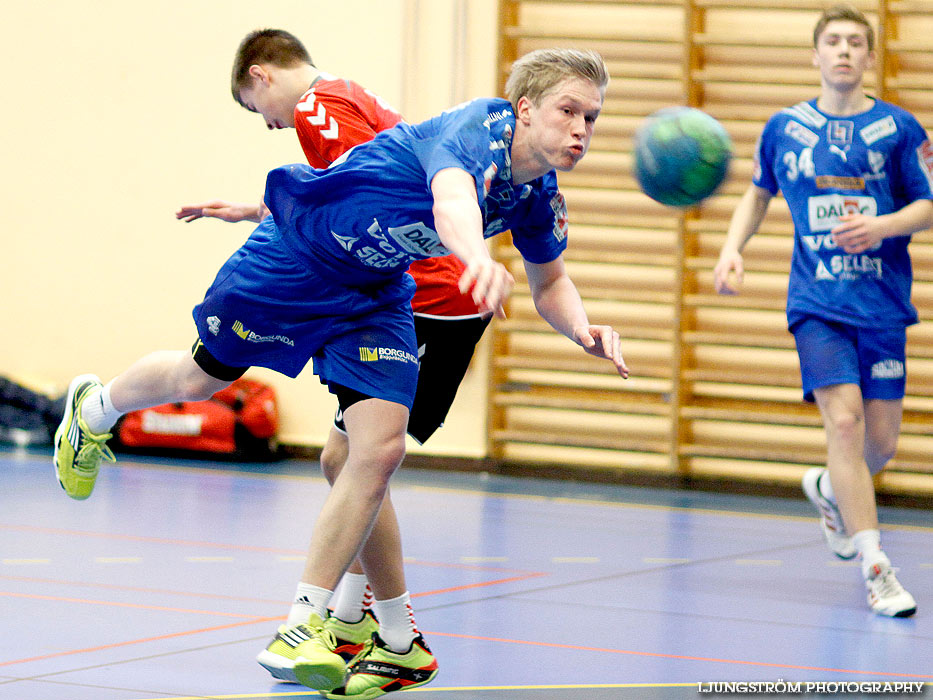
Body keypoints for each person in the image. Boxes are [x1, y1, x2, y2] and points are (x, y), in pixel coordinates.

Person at [54, 47, 627, 696]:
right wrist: (472, 256)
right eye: (568, 111)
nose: (581, 129)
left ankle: (303, 624)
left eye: (593, 118)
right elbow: (451, 202)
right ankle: (94, 409)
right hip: (297, 262)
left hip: (374, 290)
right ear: (524, 110)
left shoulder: (537, 196)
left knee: (375, 451)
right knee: (199, 380)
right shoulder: (476, 131)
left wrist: (582, 329)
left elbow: (550, 280)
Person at [174, 29, 492, 683]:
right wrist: (256, 209)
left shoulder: (318, 110)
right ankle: (354, 625)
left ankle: (371, 629)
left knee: (362, 457)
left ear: (261, 75)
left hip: (430, 299)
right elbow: (352, 189)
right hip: (436, 295)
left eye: (255, 108)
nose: (269, 125)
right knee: (342, 458)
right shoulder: (345, 99)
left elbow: (360, 200)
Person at [713, 4, 930, 618]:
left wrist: (880, 226)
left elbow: (928, 204)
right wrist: (732, 249)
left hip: (883, 304)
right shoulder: (785, 128)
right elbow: (757, 196)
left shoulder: (899, 130)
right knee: (843, 422)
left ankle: (830, 488)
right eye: (832, 41)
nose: (843, 51)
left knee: (880, 444)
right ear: (815, 56)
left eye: (855, 42)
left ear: (868, 57)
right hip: (817, 303)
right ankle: (877, 566)